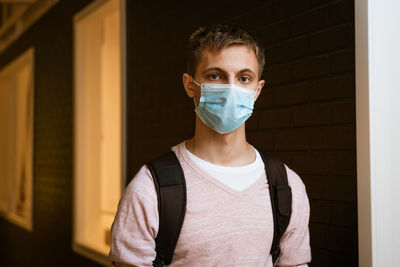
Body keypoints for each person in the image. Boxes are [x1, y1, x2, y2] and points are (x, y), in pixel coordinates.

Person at [109, 24, 311, 266]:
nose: (230, 89)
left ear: (257, 90)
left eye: (244, 78)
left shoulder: (286, 186)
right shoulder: (150, 189)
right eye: (215, 76)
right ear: (190, 84)